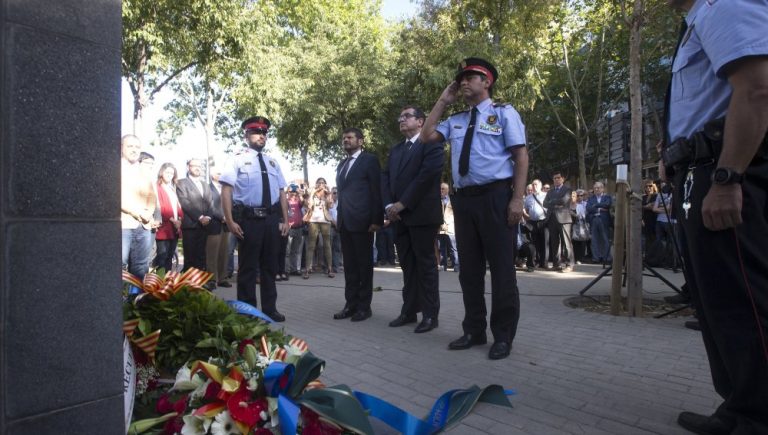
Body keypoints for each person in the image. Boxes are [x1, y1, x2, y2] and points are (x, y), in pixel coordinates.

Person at [659, 1, 768, 433]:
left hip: (725, 171)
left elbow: (757, 89)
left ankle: (756, 419)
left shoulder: (723, 5)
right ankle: (739, 409)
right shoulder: (697, 20)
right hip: (701, 169)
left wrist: (727, 178)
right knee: (718, 303)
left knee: (744, 303)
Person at [421, 57, 528, 360]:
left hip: (496, 197)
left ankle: (503, 336)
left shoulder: (503, 113)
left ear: (487, 82)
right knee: (469, 270)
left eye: (470, 77)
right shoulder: (456, 119)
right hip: (464, 201)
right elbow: (426, 137)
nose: (463, 82)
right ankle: (474, 329)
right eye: (461, 79)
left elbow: (521, 156)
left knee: (502, 270)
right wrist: (443, 100)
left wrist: (517, 199)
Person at [220, 116, 289, 322]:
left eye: (264, 133)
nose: (261, 136)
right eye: (257, 132)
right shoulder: (237, 159)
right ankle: (247, 312)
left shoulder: (272, 162)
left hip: (271, 220)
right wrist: (230, 221)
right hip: (249, 220)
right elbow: (226, 190)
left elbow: (281, 192)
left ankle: (270, 309)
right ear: (246, 135)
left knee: (270, 267)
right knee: (248, 268)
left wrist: (285, 220)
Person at [382, 105, 444, 333]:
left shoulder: (432, 143)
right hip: (398, 218)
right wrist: (389, 205)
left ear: (420, 121)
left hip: (422, 215)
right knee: (407, 266)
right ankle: (409, 310)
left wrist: (403, 203)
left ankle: (430, 315)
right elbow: (385, 178)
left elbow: (427, 176)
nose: (401, 119)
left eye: (406, 116)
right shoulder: (396, 149)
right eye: (400, 117)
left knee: (426, 266)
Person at [333, 128, 383, 322]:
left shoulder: (369, 160)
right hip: (345, 222)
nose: (346, 140)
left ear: (360, 141)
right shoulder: (342, 164)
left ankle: (364, 307)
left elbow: (376, 190)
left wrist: (376, 220)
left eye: (350, 137)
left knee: (364, 266)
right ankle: (350, 305)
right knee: (350, 267)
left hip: (363, 222)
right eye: (344, 138)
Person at [121, 135, 156, 279]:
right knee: (120, 265)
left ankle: (137, 294)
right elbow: (115, 195)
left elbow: (151, 196)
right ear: (121, 147)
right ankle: (121, 294)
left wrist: (149, 212)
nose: (134, 150)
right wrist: (136, 212)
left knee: (141, 266)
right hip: (124, 224)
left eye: (137, 147)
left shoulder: (144, 171)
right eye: (130, 146)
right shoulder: (115, 168)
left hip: (144, 225)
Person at [176, 158, 214, 272]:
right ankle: (189, 281)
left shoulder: (205, 184)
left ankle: (200, 281)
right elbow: (185, 202)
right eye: (194, 166)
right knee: (190, 257)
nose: (197, 168)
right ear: (188, 167)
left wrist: (208, 217)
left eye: (199, 166)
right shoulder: (181, 183)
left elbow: (211, 202)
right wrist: (200, 217)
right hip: (190, 226)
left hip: (205, 226)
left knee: (201, 256)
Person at [153, 162, 183, 273]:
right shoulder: (157, 187)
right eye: (167, 172)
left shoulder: (172, 189)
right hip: (164, 228)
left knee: (170, 257)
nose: (170, 175)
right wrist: (173, 220)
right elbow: (159, 207)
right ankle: (160, 281)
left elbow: (178, 208)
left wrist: (179, 220)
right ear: (162, 172)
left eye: (172, 173)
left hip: (174, 228)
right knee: (162, 257)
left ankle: (167, 281)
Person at [303, 178, 334, 278]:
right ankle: (307, 269)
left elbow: (331, 205)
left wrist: (328, 194)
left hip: (325, 221)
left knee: (327, 245)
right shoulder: (313, 194)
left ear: (325, 184)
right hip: (313, 221)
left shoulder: (327, 194)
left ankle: (330, 268)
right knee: (311, 245)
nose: (321, 184)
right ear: (316, 184)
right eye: (319, 183)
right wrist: (313, 193)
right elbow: (309, 205)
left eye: (323, 183)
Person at [543, 171, 574, 272]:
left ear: (562, 179)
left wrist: (552, 202)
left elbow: (564, 201)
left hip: (564, 219)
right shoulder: (550, 191)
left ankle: (569, 264)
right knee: (554, 243)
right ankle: (556, 264)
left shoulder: (567, 190)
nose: (556, 180)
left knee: (566, 242)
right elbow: (545, 203)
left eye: (558, 178)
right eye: (554, 178)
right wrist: (556, 203)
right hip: (552, 219)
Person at [206, 168, 231, 288]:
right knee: (212, 254)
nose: (221, 175)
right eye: (219, 173)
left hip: (226, 226)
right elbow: (209, 206)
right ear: (212, 175)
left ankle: (222, 278)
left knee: (224, 253)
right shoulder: (208, 188)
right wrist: (222, 217)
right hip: (214, 225)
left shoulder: (227, 189)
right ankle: (212, 279)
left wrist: (229, 217)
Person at [523, 179, 549, 269]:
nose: (534, 186)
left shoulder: (545, 195)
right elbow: (525, 209)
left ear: (540, 186)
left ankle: (544, 262)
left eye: (536, 184)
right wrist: (527, 217)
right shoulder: (528, 198)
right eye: (533, 184)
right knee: (535, 242)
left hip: (543, 221)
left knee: (545, 242)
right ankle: (537, 261)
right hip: (533, 222)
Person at [586, 181, 612, 264]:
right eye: (595, 188)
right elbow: (588, 208)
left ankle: (606, 258)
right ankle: (596, 258)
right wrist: (600, 209)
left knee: (605, 239)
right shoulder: (591, 198)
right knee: (594, 239)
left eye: (598, 188)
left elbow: (607, 205)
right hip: (594, 219)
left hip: (604, 220)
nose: (596, 189)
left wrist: (596, 206)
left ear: (602, 188)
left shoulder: (607, 197)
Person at [438, 182, 459, 272]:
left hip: (450, 227)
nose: (441, 190)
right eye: (440, 189)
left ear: (447, 190)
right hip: (440, 228)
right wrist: (440, 224)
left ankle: (456, 265)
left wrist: (447, 223)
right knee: (441, 248)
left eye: (443, 189)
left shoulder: (452, 200)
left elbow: (455, 214)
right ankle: (443, 265)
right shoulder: (437, 200)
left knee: (452, 247)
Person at [285, 184, 305, 277]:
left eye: (294, 192)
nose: (293, 194)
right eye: (291, 192)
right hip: (289, 228)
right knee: (287, 251)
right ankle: (286, 270)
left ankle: (294, 269)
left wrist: (299, 193)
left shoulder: (298, 201)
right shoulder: (286, 201)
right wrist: (286, 192)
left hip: (298, 228)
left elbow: (303, 202)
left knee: (295, 250)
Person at [641, 180, 659, 251]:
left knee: (653, 240)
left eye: (650, 186)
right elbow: (639, 208)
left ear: (653, 186)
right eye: (646, 186)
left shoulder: (656, 196)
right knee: (646, 240)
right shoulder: (643, 197)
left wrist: (643, 206)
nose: (648, 188)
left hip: (654, 220)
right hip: (645, 221)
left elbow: (653, 206)